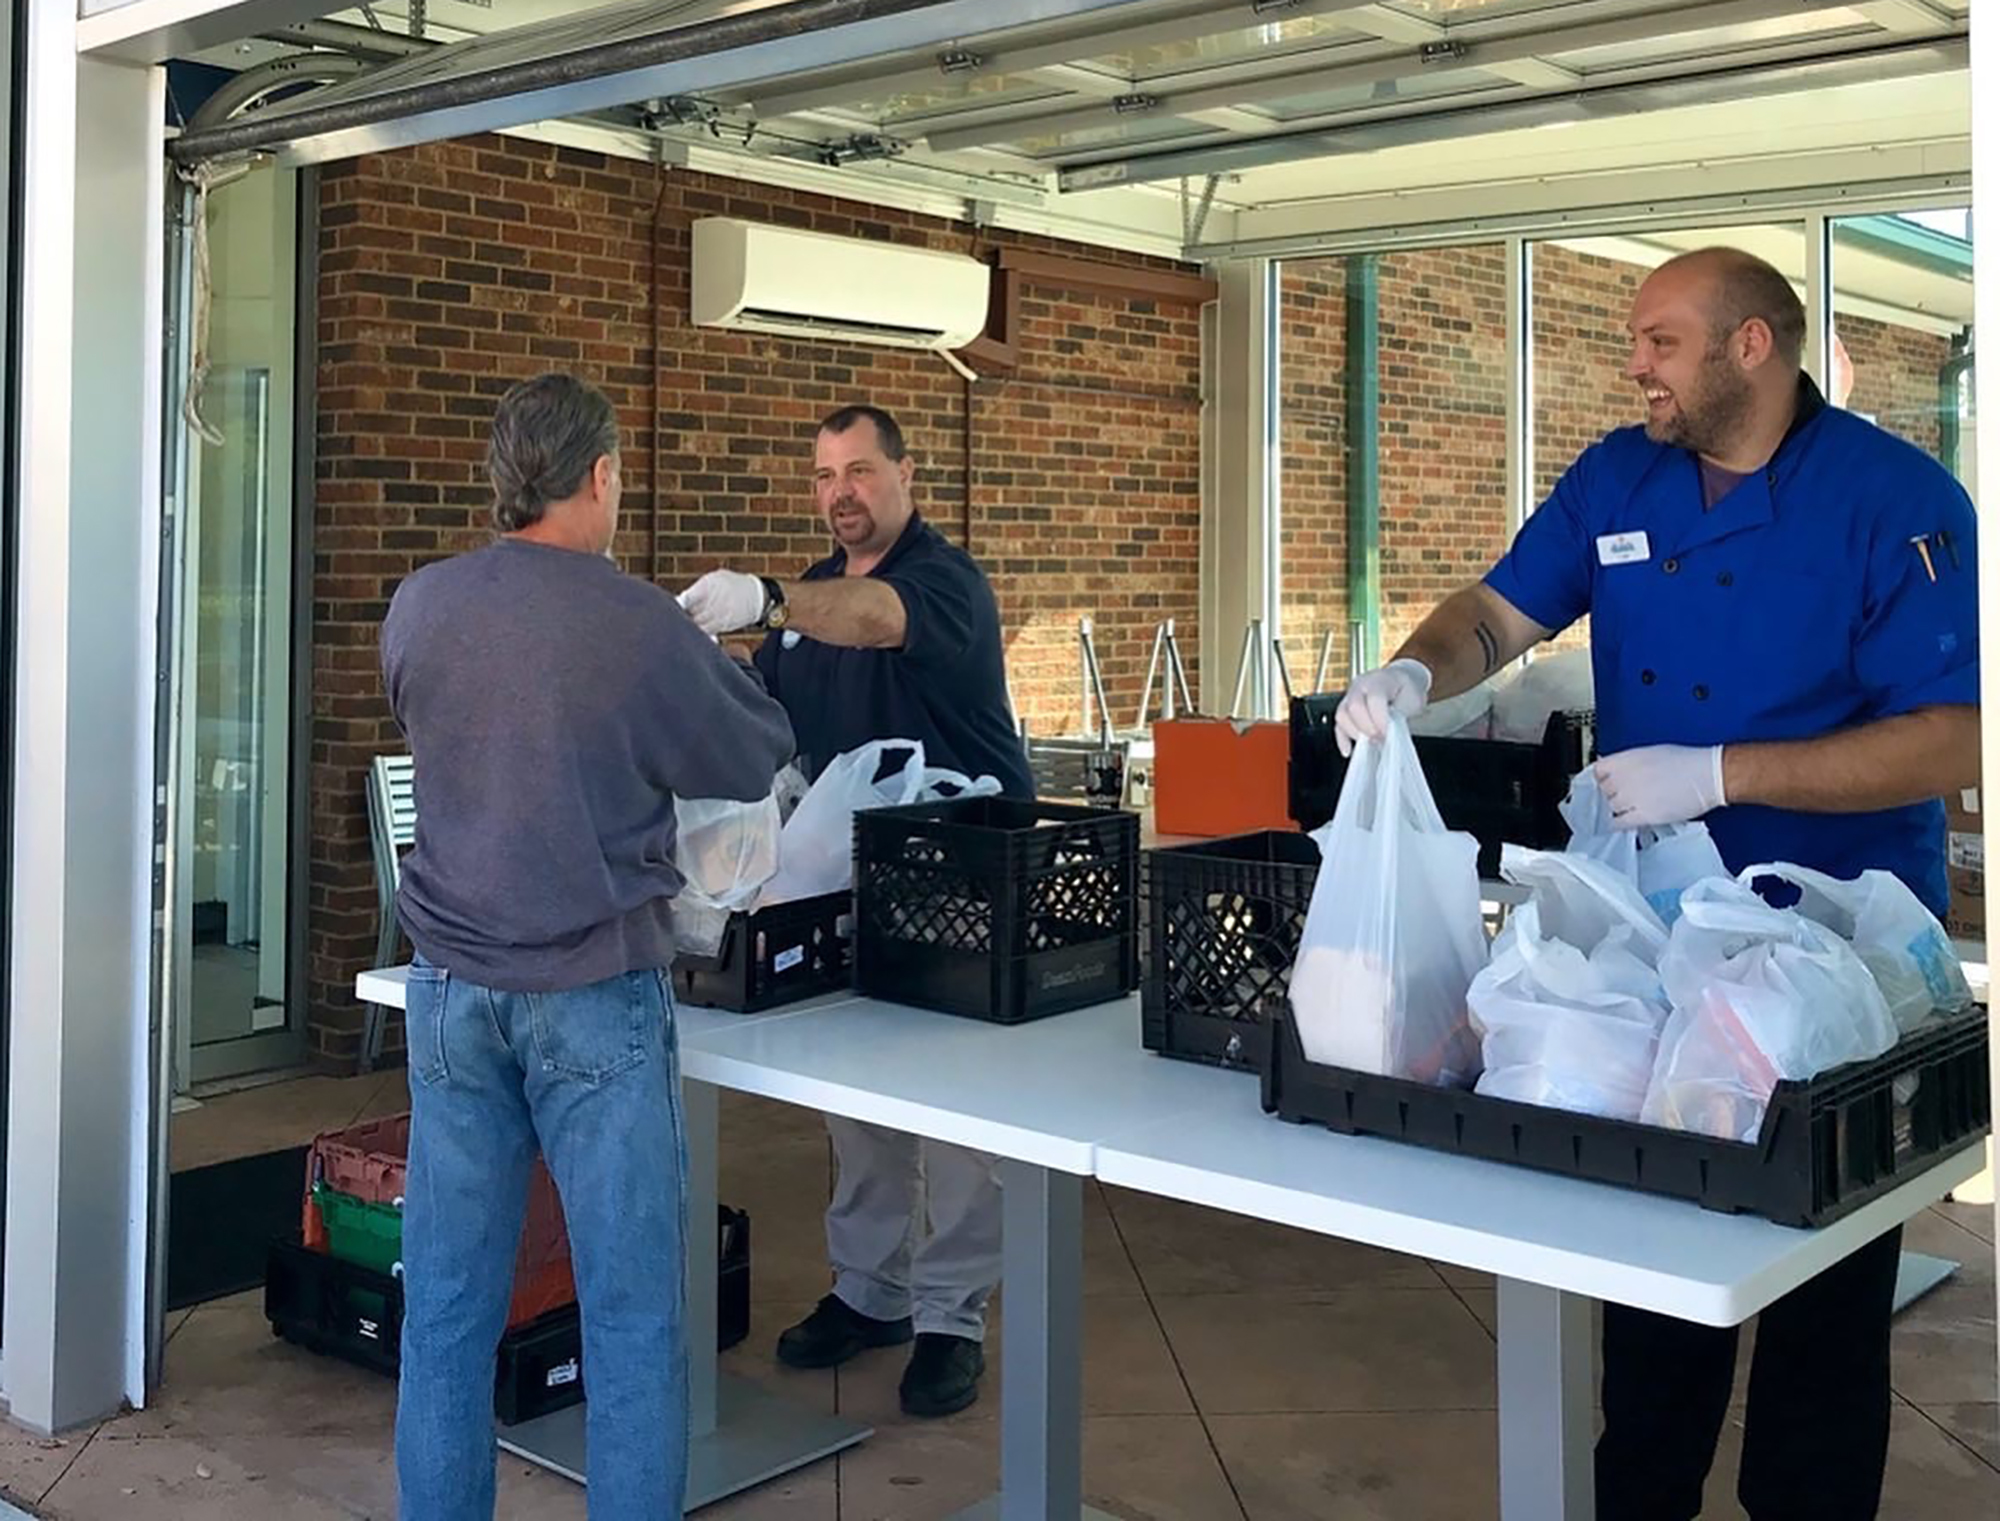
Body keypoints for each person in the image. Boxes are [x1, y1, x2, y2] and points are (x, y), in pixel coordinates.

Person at [1337, 247, 1978, 1521]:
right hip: (1659, 945)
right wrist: (1414, 673)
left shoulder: (1895, 501)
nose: (1632, 363)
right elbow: (1499, 614)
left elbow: (1955, 734)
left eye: (1659, 341)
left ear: (1753, 346)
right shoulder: (1615, 476)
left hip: (1834, 966)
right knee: (1653, 1298)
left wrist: (1722, 772)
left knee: (1818, 1307)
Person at [383, 372, 795, 1521]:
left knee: (449, 1314)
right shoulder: (634, 624)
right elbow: (751, 757)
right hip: (592, 1001)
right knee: (630, 1323)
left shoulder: (420, 604)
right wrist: (735, 657)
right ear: (601, 476)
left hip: (452, 992)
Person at [678, 403, 1032, 1418]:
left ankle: (949, 1318)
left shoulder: (939, 584)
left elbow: (878, 622)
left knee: (960, 1118)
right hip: (849, 891)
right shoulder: (811, 602)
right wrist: (686, 657)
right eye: (825, 474)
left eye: (861, 471)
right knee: (861, 1103)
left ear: (904, 476)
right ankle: (870, 1292)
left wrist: (767, 596)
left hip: (964, 881)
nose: (841, 491)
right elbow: (767, 695)